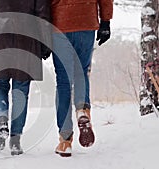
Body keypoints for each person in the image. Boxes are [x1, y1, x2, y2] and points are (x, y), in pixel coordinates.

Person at [0, 0, 51, 155]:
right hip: (26, 40)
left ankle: (2, 122)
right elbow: (42, 15)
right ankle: (15, 141)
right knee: (21, 91)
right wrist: (45, 44)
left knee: (0, 85)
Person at [51, 0, 113, 157]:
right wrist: (105, 21)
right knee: (82, 72)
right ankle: (82, 110)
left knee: (63, 81)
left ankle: (65, 141)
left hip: (60, 23)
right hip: (86, 21)